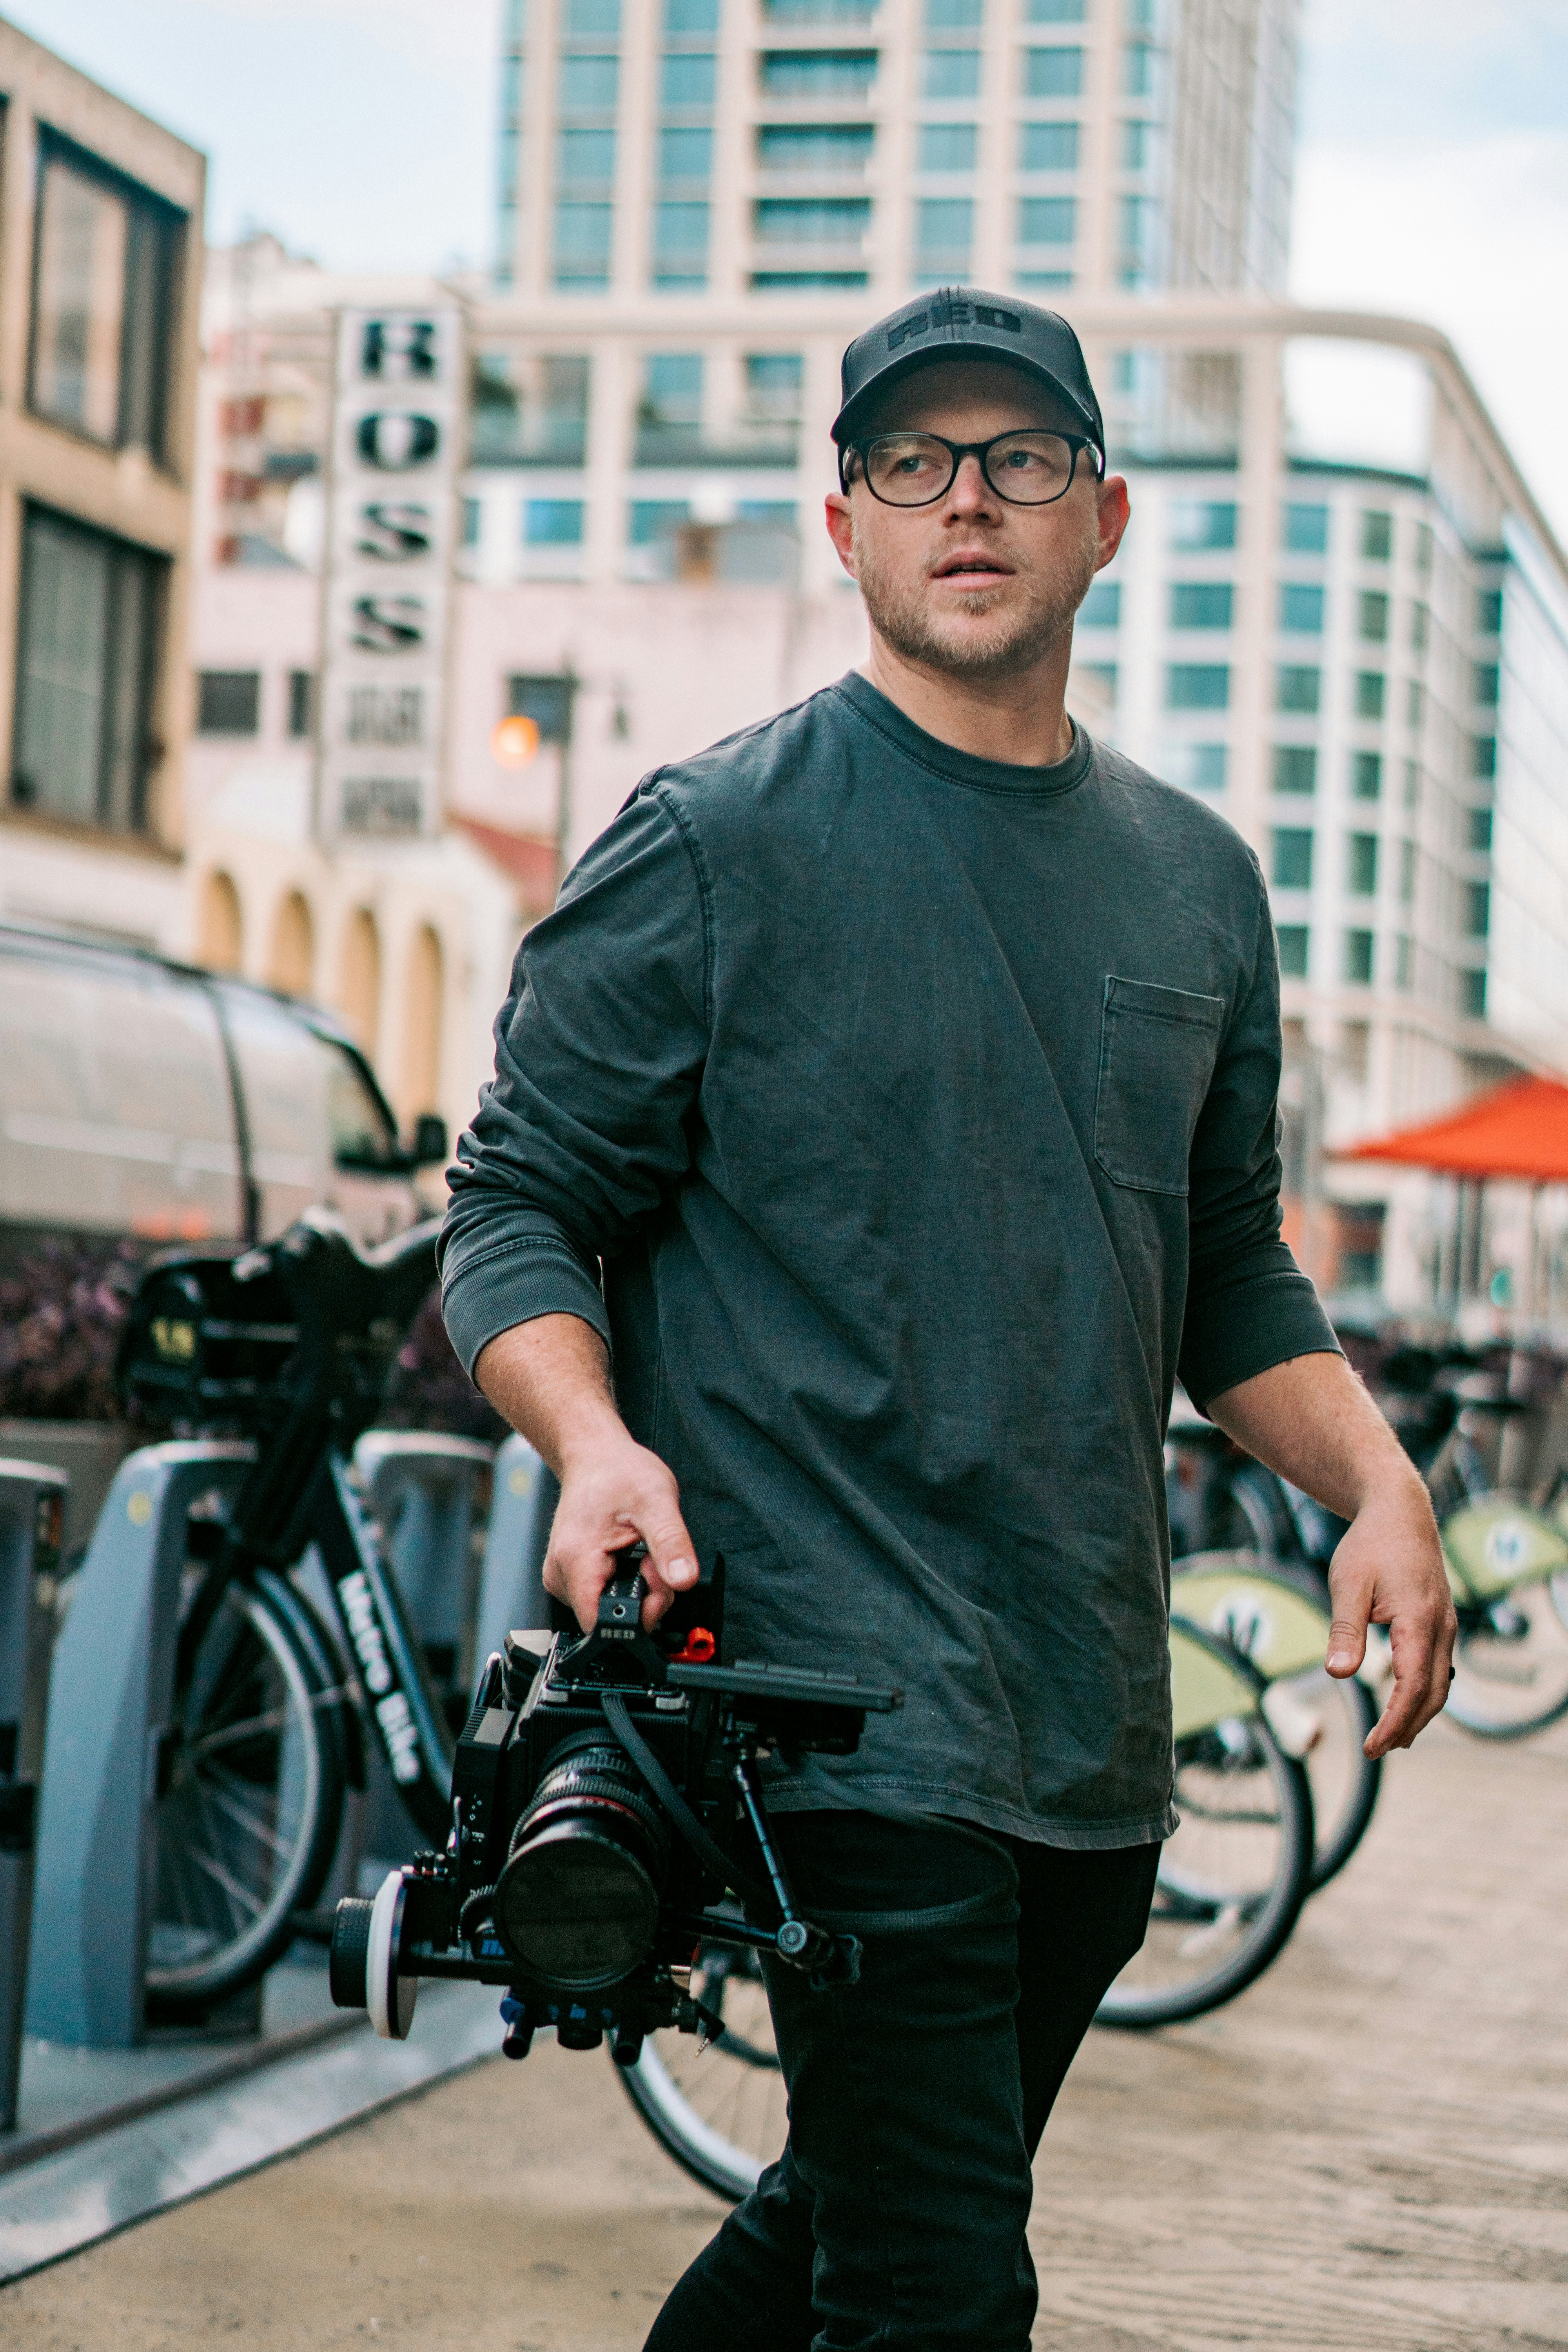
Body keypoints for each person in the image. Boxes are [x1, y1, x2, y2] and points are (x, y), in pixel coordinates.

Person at [437, 288, 1457, 2352]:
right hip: (818, 1711)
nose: (963, 500)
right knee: (937, 2293)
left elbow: (1230, 1267)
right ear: (845, 527)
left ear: (1107, 519)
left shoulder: (1202, 884)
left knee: (853, 2214)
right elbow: (519, 1204)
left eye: (1017, 460)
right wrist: (597, 1442)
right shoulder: (717, 842)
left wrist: (1380, 1485)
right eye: (912, 463)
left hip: (1086, 1727)